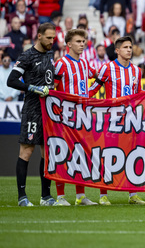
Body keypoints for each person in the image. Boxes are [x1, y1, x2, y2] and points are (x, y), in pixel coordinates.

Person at [88, 35, 145, 205]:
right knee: (108, 156)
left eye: (130, 47)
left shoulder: (136, 70)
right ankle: (103, 195)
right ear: (117, 50)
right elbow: (93, 89)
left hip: (131, 121)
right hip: (112, 120)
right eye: (126, 47)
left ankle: (133, 195)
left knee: (132, 156)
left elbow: (138, 95)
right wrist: (76, 99)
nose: (129, 50)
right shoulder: (107, 68)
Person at [6, 23, 57, 206]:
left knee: (47, 153)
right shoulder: (27, 56)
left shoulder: (51, 54)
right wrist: (32, 88)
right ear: (39, 36)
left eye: (54, 38)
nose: (52, 41)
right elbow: (11, 80)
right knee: (27, 151)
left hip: (48, 111)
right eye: (49, 38)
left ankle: (46, 196)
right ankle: (22, 197)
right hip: (32, 110)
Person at [53, 29, 102, 206]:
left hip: (83, 116)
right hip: (65, 117)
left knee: (80, 154)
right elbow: (53, 90)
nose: (82, 44)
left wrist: (91, 92)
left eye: (83, 41)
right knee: (63, 154)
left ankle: (80, 195)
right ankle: (60, 197)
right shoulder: (61, 64)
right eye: (79, 41)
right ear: (69, 45)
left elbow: (98, 76)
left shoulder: (84, 64)